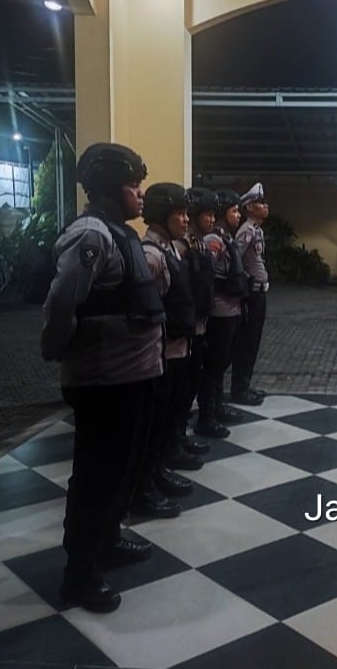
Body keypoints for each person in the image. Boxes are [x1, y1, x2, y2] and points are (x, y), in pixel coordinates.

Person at [40, 142, 163, 614]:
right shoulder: (90, 236)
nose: (140, 194)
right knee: (96, 477)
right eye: (133, 186)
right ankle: (80, 574)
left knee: (120, 472)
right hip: (103, 380)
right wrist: (55, 349)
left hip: (132, 376)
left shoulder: (120, 233)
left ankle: (107, 541)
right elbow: (62, 302)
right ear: (111, 189)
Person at [138, 183, 201, 505]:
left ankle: (159, 468)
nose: (186, 220)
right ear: (162, 215)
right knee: (155, 421)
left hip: (177, 348)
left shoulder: (171, 249)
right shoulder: (151, 255)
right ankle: (145, 484)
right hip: (162, 353)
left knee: (169, 415)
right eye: (180, 213)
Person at [198, 189, 247, 431]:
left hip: (231, 311)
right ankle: (207, 416)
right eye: (234, 211)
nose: (238, 215)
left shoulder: (225, 237)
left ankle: (217, 407)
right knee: (213, 367)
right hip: (219, 313)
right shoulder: (213, 240)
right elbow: (208, 278)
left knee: (221, 365)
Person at [186, 187, 230, 439]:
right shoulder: (187, 245)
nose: (212, 219)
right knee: (188, 381)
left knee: (203, 373)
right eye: (207, 214)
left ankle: (206, 417)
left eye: (214, 215)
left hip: (202, 320)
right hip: (189, 324)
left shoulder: (198, 243)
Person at [231, 182, 271, 405]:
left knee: (253, 342)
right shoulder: (246, 231)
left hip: (259, 294)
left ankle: (245, 384)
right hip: (251, 295)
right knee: (246, 342)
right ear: (249, 207)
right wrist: (247, 281)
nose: (265, 206)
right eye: (260, 202)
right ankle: (239, 389)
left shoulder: (256, 230)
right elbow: (235, 260)